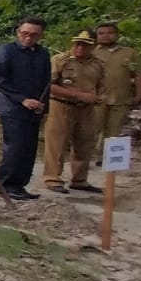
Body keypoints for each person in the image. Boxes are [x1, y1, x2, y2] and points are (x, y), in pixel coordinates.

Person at [0, 17, 52, 200]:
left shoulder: (42, 53)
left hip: (35, 109)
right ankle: (6, 185)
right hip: (13, 108)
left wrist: (44, 107)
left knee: (29, 148)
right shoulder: (7, 51)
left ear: (40, 35)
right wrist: (23, 99)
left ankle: (20, 185)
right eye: (25, 34)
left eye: (34, 35)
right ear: (18, 32)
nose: (28, 38)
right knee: (14, 147)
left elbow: (46, 82)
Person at [43, 30, 106, 194]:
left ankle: (80, 179)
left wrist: (99, 96)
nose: (80, 48)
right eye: (77, 43)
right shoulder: (60, 60)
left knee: (85, 143)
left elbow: (102, 85)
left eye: (85, 45)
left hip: (86, 108)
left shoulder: (97, 64)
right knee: (57, 143)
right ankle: (52, 178)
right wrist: (77, 94)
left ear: (92, 46)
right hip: (62, 105)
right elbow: (49, 85)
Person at [93, 22, 141, 156]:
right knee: (93, 128)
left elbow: (139, 74)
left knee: (114, 131)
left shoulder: (129, 53)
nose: (105, 36)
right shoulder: (90, 51)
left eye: (110, 33)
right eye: (101, 33)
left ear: (117, 35)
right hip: (96, 98)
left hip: (121, 98)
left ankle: (107, 159)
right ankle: (85, 157)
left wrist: (139, 94)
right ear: (96, 36)